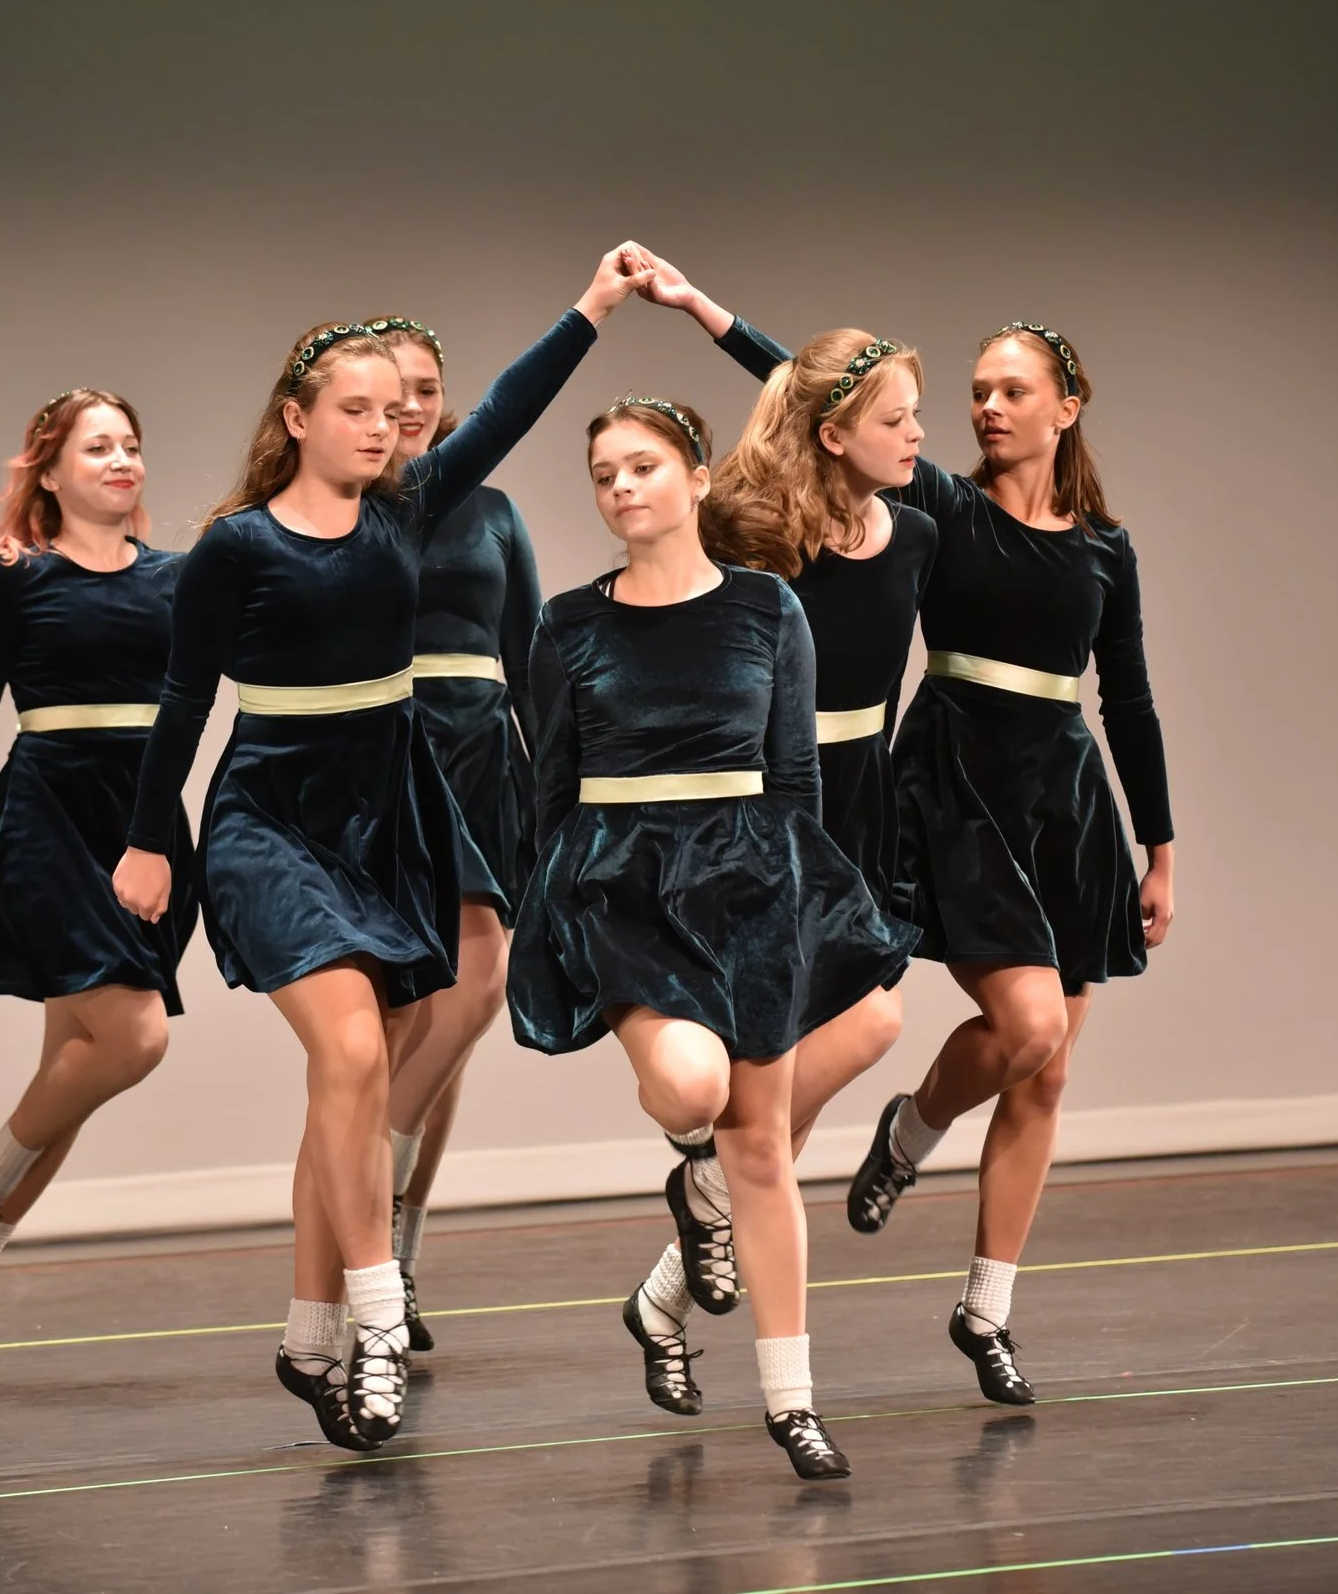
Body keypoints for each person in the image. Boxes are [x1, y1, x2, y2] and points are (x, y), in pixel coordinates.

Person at [112, 249, 648, 1450]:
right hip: (270, 818)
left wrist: (594, 307)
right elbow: (183, 701)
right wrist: (153, 841)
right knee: (350, 1052)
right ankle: (378, 1317)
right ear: (295, 419)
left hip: (389, 807)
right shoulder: (237, 548)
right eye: (351, 409)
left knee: (354, 1077)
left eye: (392, 410)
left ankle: (308, 1333)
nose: (381, 424)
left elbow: (508, 409)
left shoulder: (408, 508)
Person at [645, 254, 1178, 1407]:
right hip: (952, 783)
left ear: (1067, 407)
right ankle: (898, 1134)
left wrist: (1160, 847)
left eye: (1008, 390)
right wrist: (704, 311)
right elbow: (819, 393)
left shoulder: (1104, 548)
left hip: (1065, 800)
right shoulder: (939, 504)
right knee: (1013, 1023)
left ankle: (985, 1308)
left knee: (1044, 1065)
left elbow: (1125, 698)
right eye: (974, 390)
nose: (984, 408)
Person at [509, 394, 913, 1479]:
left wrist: (805, 900)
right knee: (692, 1091)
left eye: (643, 465)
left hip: (749, 875)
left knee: (762, 1148)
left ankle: (792, 1403)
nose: (623, 487)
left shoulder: (768, 610)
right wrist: (551, 910)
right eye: (604, 474)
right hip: (623, 883)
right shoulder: (567, 624)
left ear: (695, 477)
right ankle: (692, 1187)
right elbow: (551, 789)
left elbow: (794, 776)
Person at [612, 315, 938, 1414]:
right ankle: (703, 1240)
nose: (918, 436)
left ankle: (673, 1267)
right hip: (763, 811)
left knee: (824, 1060)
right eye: (897, 420)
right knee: (776, 1082)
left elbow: (822, 392)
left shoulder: (920, 528)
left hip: (861, 804)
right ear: (837, 431)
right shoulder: (755, 530)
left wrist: (717, 315)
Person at [0, 389, 194, 1381]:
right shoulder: (13, 582)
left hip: (144, 831)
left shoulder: (177, 580)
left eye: (130, 444)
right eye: (99, 447)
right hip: (45, 823)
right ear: (51, 469)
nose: (121, 460)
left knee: (71, 1073)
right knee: (133, 1036)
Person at [365, 315, 542, 1352]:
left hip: (483, 758)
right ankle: (365, 1244)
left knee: (465, 1012)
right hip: (388, 757)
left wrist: (555, 785)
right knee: (407, 1024)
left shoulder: (495, 509)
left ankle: (395, 1256)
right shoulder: (349, 511)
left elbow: (528, 653)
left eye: (426, 386)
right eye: (391, 390)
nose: (412, 405)